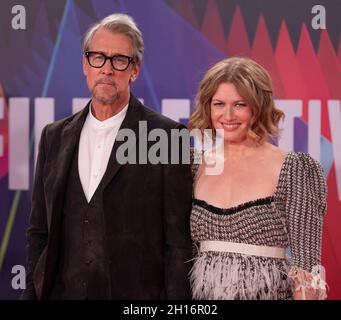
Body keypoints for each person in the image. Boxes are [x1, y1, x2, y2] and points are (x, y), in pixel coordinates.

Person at [21, 13, 193, 300]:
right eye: (98, 57)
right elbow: (39, 231)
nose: (107, 69)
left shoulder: (166, 136)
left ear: (134, 70)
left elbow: (178, 243)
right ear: (85, 65)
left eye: (119, 60)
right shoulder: (54, 136)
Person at [188, 57, 327, 300]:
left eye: (240, 104)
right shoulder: (192, 166)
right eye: (219, 104)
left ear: (258, 107)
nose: (228, 115)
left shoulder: (295, 168)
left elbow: (307, 267)